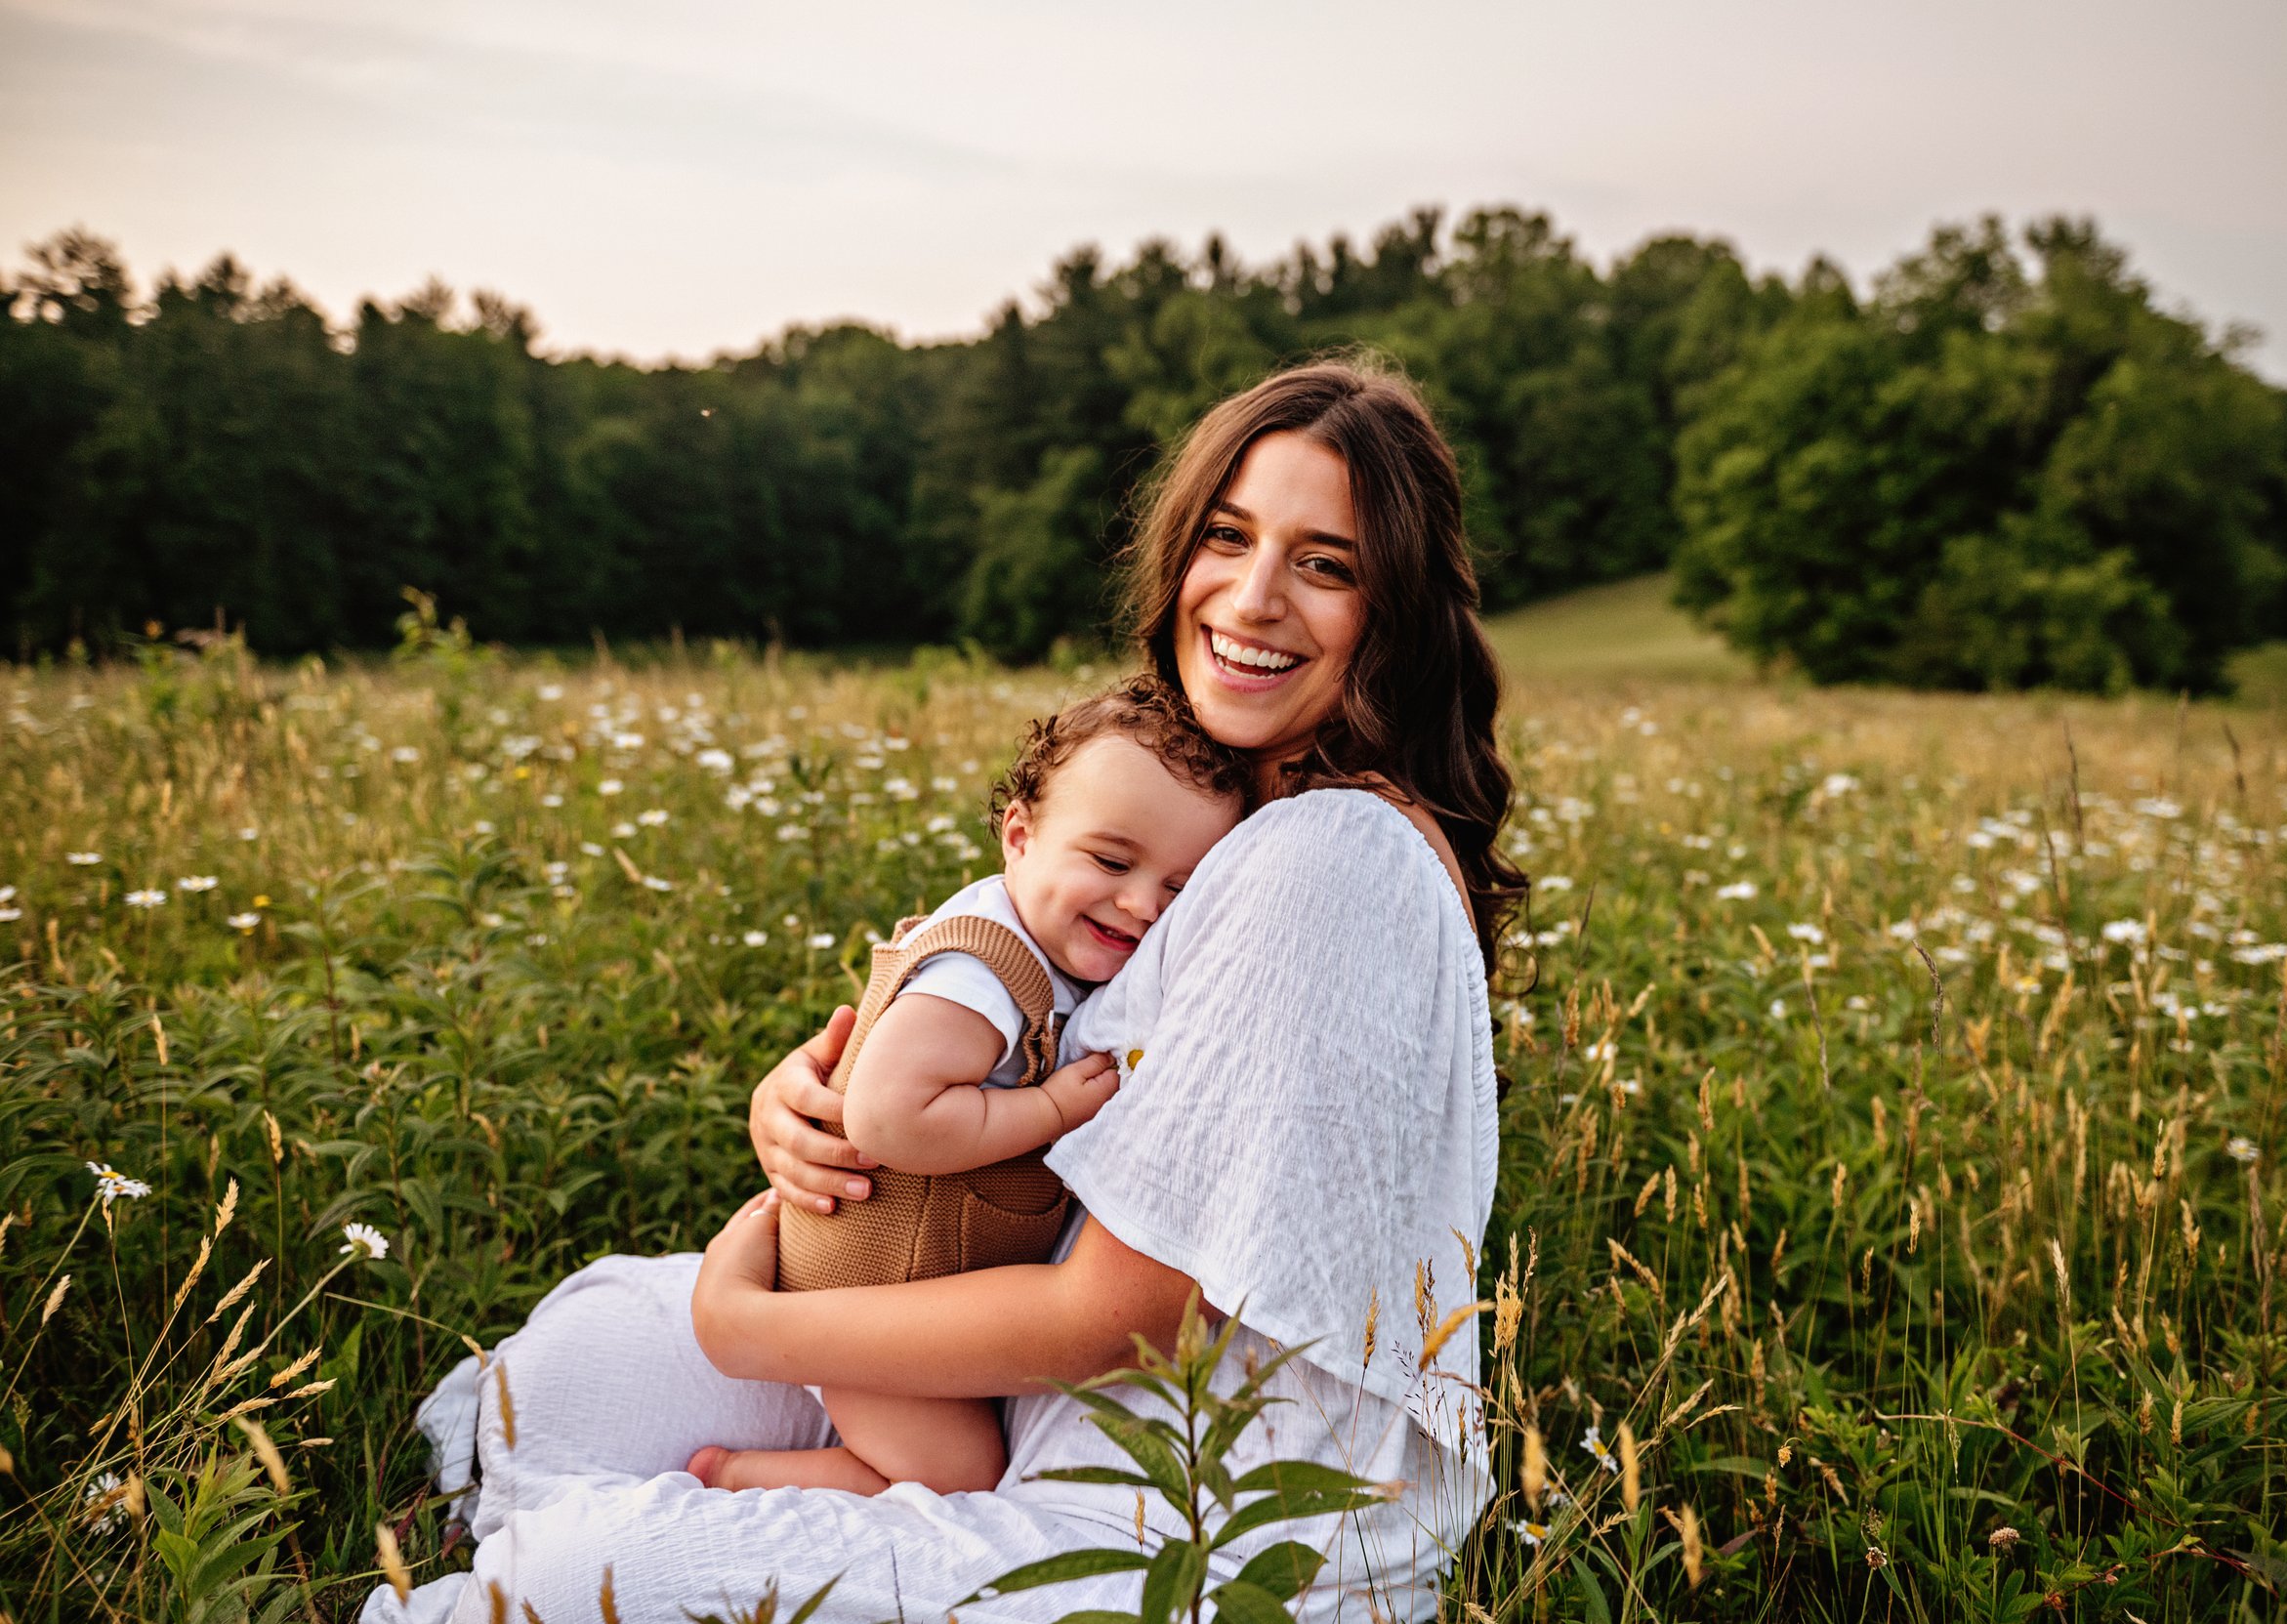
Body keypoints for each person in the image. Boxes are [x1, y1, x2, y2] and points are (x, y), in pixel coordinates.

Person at [363, 357, 1524, 1624]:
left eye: (1326, 563)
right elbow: (1001, 977)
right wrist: (815, 1097)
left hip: (1191, 1509)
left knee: (573, 1579)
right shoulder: (1225, 806)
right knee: (574, 1371)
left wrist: (755, 1328)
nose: (1250, 596)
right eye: (1229, 534)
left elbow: (1119, 1318)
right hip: (1020, 1381)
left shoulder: (1327, 858)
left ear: (1395, 611)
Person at [691, 678, 1251, 1496]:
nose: (1141, 904)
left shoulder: (1052, 946)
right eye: (1110, 860)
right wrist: (1050, 1108)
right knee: (957, 1474)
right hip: (861, 1283)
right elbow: (888, 1117)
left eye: (1179, 888)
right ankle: (735, 1478)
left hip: (913, 1279)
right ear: (1019, 836)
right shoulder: (983, 973)